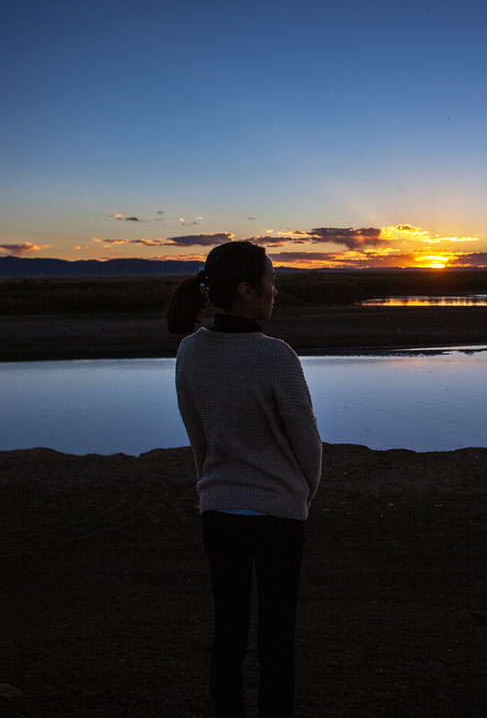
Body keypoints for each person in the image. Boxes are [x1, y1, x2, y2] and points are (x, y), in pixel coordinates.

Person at [167, 240, 322, 717]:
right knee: (278, 638)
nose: (276, 290)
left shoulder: (190, 353)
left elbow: (199, 439)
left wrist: (211, 487)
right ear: (246, 291)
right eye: (271, 280)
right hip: (279, 517)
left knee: (227, 635)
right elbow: (308, 446)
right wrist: (301, 497)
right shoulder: (276, 356)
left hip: (219, 513)